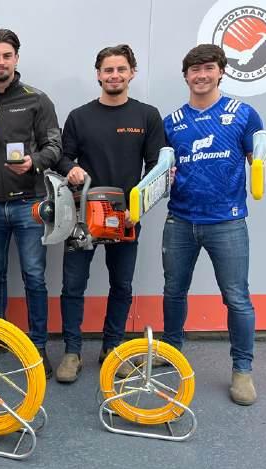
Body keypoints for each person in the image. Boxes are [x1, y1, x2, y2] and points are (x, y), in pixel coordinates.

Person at [161, 44, 266, 405]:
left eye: (208, 68)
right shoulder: (171, 122)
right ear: (186, 76)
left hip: (227, 222)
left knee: (237, 298)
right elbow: (163, 169)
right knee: (173, 291)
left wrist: (264, 167)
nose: (201, 75)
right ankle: (172, 353)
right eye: (195, 70)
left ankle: (242, 370)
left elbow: (256, 159)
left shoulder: (243, 114)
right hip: (180, 220)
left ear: (221, 72)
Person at [54, 45, 165, 383]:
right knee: (73, 285)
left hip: (125, 217)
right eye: (108, 70)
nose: (114, 75)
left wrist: (138, 209)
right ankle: (72, 352)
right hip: (82, 217)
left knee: (122, 285)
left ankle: (112, 348)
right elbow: (62, 156)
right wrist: (70, 168)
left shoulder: (147, 116)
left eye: (121, 69)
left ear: (132, 73)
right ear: (98, 75)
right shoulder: (79, 116)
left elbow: (156, 168)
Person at [0, 29, 62, 378]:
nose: (1, 62)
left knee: (34, 276)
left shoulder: (37, 99)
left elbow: (55, 146)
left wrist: (34, 162)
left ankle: (37, 347)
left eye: (7, 56)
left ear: (16, 59)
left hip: (30, 205)